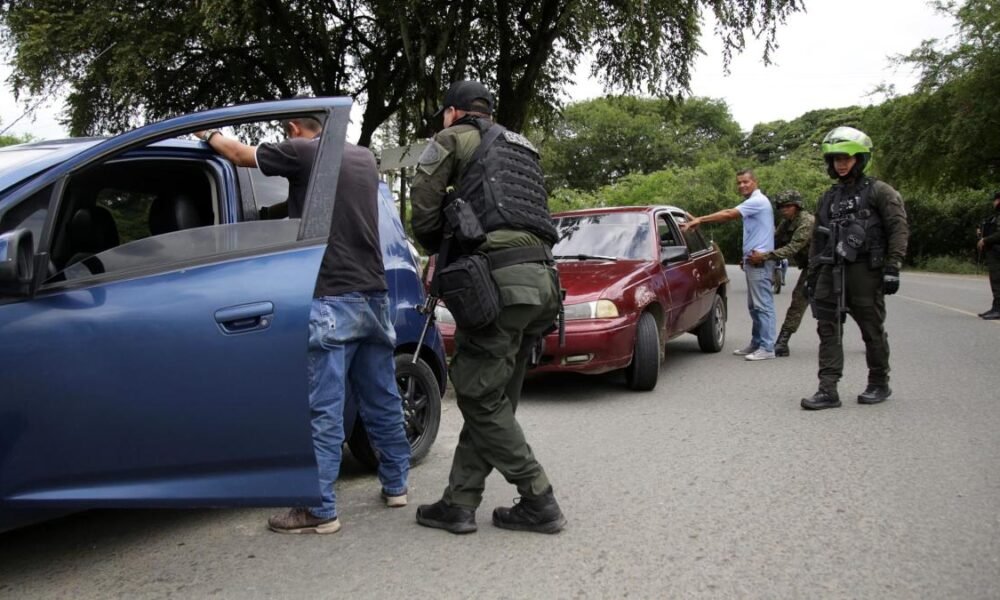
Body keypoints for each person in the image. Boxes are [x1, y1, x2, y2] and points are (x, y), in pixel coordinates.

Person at [196, 120, 411, 534]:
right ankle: (397, 484)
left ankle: (320, 509)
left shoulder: (304, 152)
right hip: (373, 293)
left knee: (324, 410)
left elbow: (240, 156)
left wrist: (210, 136)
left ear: (297, 128)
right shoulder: (364, 157)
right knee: (382, 397)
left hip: (330, 294)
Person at [409, 80, 566, 534]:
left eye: (444, 115)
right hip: (543, 282)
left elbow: (423, 206)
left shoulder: (453, 137)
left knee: (477, 393)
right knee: (494, 396)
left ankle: (538, 496)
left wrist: (436, 242)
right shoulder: (523, 147)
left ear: (454, 112)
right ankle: (459, 502)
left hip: (499, 282)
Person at [801, 126, 909, 410]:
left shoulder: (879, 191)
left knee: (871, 328)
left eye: (847, 158)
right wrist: (811, 275)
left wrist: (892, 266)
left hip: (865, 270)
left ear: (860, 159)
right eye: (836, 158)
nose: (841, 163)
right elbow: (818, 238)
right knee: (828, 328)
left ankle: (878, 382)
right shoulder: (828, 197)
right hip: (830, 268)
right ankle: (828, 389)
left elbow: (898, 228)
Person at [682, 169, 777, 361]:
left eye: (745, 182)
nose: (742, 185)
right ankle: (757, 343)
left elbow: (728, 214)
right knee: (754, 306)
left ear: (755, 182)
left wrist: (700, 219)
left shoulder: (757, 201)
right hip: (752, 260)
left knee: (763, 306)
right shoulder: (752, 203)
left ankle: (767, 347)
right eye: (739, 183)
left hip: (761, 261)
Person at [748, 190, 815, 356]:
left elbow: (792, 248)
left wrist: (764, 257)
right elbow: (774, 241)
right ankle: (782, 342)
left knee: (847, 303)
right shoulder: (787, 222)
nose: (783, 209)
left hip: (824, 266)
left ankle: (872, 334)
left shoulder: (807, 221)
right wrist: (752, 255)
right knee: (799, 299)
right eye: (780, 207)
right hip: (811, 266)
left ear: (797, 205)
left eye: (787, 206)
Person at [976, 191, 1000, 319]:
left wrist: (985, 240)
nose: (994, 203)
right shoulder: (995, 216)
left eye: (995, 200)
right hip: (994, 252)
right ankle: (995, 307)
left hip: (997, 253)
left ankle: (998, 309)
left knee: (997, 280)